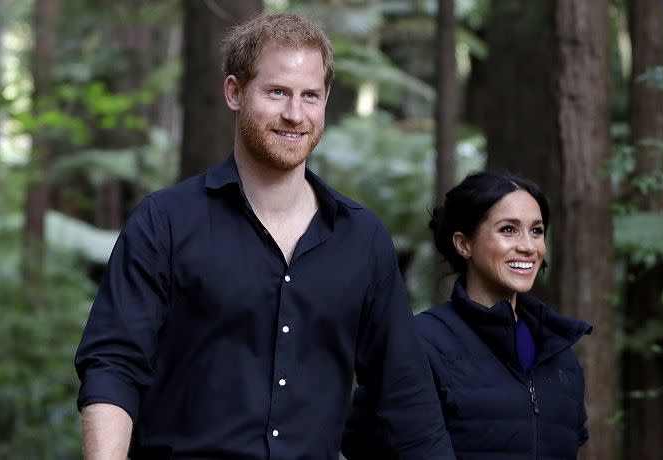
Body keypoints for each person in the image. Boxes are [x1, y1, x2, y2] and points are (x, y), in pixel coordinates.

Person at [73, 12, 454, 460]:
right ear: (234, 92)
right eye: (277, 92)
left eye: (310, 95)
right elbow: (114, 366)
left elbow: (405, 398)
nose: (295, 114)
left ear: (326, 99)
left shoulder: (362, 238)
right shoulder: (165, 222)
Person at [342, 171, 591, 459]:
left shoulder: (558, 352)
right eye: (508, 229)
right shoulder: (419, 343)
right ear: (463, 244)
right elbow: (362, 443)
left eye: (536, 230)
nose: (528, 246)